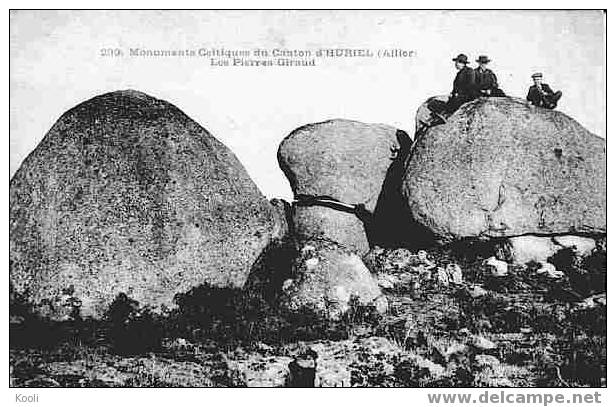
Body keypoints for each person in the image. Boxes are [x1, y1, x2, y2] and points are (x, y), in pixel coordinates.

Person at [427, 53, 478, 123]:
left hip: (466, 96)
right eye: (456, 62)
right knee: (435, 104)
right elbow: (456, 87)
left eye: (457, 62)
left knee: (451, 105)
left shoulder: (469, 71)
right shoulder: (459, 73)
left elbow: (470, 85)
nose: (456, 64)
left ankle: (443, 116)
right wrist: (453, 93)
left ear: (462, 63)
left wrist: (459, 94)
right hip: (458, 96)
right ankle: (439, 116)